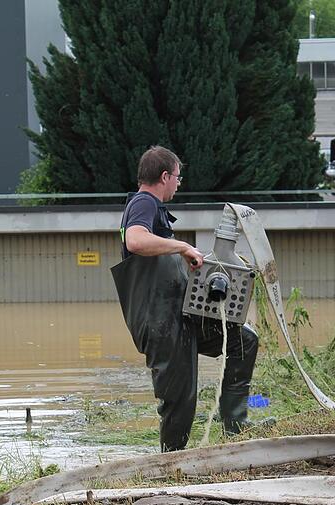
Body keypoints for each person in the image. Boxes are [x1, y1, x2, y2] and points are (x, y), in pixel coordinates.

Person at [111, 146, 261, 452]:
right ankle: (171, 462)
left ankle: (234, 427)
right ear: (164, 176)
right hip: (161, 322)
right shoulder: (143, 202)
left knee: (243, 341)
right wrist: (182, 247)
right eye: (178, 177)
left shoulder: (156, 212)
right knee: (179, 398)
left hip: (181, 316)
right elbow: (135, 240)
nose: (179, 184)